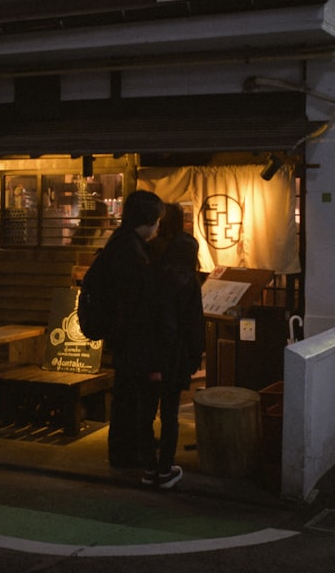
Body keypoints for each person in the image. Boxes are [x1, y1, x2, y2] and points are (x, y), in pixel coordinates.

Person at [137, 203, 204, 490]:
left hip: (148, 351)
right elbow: (193, 324)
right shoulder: (189, 280)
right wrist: (194, 356)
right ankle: (166, 469)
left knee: (146, 411)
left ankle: (149, 468)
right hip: (174, 355)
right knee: (170, 413)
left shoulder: (149, 272)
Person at [99, 190, 165, 468]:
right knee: (132, 397)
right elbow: (134, 302)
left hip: (122, 336)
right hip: (131, 337)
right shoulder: (131, 251)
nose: (159, 226)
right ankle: (128, 454)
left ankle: (125, 450)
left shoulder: (121, 241)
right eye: (158, 220)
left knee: (126, 395)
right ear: (148, 220)